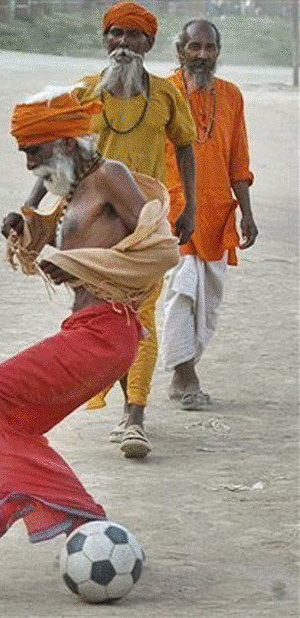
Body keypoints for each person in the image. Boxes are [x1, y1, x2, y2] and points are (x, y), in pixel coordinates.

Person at [0, 88, 179, 582]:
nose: (27, 164)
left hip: (108, 331)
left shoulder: (112, 176)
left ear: (65, 142)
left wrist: (79, 262)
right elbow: (72, 241)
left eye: (34, 151)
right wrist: (31, 224)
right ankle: (81, 523)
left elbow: (162, 249)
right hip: (86, 328)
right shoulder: (73, 191)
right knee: (9, 422)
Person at [23, 1, 197, 458]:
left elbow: (185, 146)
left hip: (144, 221)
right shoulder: (82, 93)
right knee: (100, 316)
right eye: (115, 35)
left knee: (141, 313)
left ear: (150, 44)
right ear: (105, 40)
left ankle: (134, 416)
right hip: (88, 228)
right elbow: (51, 154)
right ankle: (103, 403)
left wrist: (191, 206)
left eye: (133, 36)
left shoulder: (164, 95)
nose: (123, 44)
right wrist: (29, 208)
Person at [160, 20, 257, 409]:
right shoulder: (163, 93)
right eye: (194, 47)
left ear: (218, 51)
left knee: (207, 301)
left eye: (209, 47)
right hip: (174, 211)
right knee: (182, 292)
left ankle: (184, 367)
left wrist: (247, 213)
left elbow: (239, 160)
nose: (202, 54)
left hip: (218, 213)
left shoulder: (231, 96)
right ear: (179, 50)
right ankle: (185, 376)